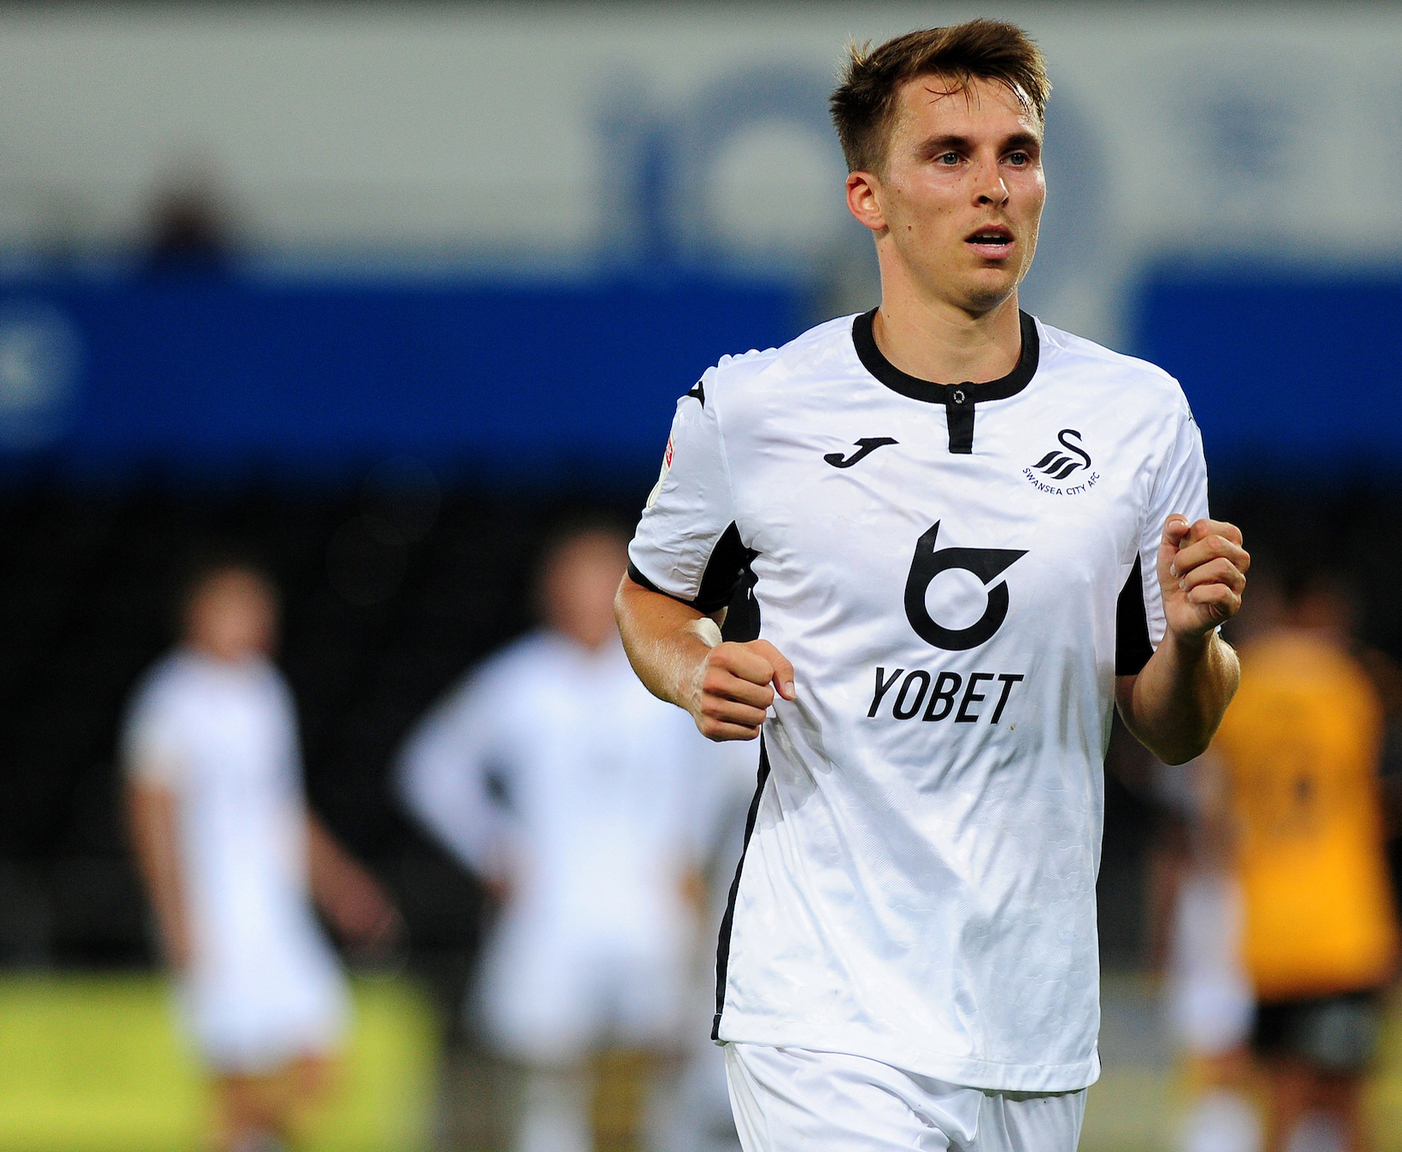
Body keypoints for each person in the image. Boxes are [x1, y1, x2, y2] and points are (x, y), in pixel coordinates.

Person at [612, 20, 1249, 1152]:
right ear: (869, 196)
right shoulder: (753, 407)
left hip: (1030, 1012)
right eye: (949, 155)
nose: (992, 186)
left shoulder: (1139, 417)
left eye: (1017, 154)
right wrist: (695, 668)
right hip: (820, 1002)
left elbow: (1171, 726)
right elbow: (649, 599)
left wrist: (1196, 640)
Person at [399, 523, 757, 1152]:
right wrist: (495, 849)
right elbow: (431, 768)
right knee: (549, 1080)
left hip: (650, 905)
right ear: (551, 592)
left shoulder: (664, 669)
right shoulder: (521, 680)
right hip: (554, 905)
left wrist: (690, 851)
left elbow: (725, 769)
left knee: (661, 1078)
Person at [125, 557, 398, 1152]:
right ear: (196, 614)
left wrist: (340, 885)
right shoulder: (169, 699)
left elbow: (283, 810)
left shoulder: (265, 692)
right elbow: (150, 815)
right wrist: (175, 916)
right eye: (234, 607)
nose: (251, 621)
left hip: (273, 910)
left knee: (320, 1055)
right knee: (234, 1071)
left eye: (258, 608)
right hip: (213, 911)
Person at [1204, 571, 1401, 1152]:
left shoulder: (1240, 680)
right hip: (1344, 924)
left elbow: (1213, 806)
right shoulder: (1355, 681)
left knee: (1281, 1099)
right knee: (1346, 1101)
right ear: (1320, 610)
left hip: (1268, 927)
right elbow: (1392, 791)